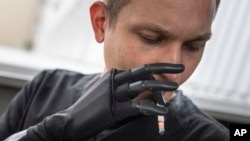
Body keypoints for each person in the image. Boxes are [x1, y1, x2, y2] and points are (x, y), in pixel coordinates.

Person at [0, 0, 229, 140]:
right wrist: (55, 131)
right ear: (101, 23)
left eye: (194, 46)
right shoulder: (44, 89)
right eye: (152, 38)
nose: (174, 73)